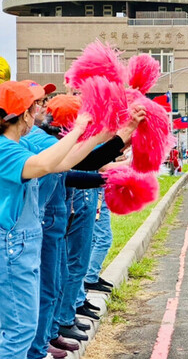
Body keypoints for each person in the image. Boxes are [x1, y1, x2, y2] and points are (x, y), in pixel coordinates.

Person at [0, 81, 91, 358]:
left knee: (21, 328)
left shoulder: (16, 144)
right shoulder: (6, 149)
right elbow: (46, 165)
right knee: (19, 330)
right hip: (12, 248)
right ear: (25, 115)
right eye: (35, 106)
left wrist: (101, 136)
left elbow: (62, 163)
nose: (40, 110)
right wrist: (78, 129)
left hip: (20, 245)